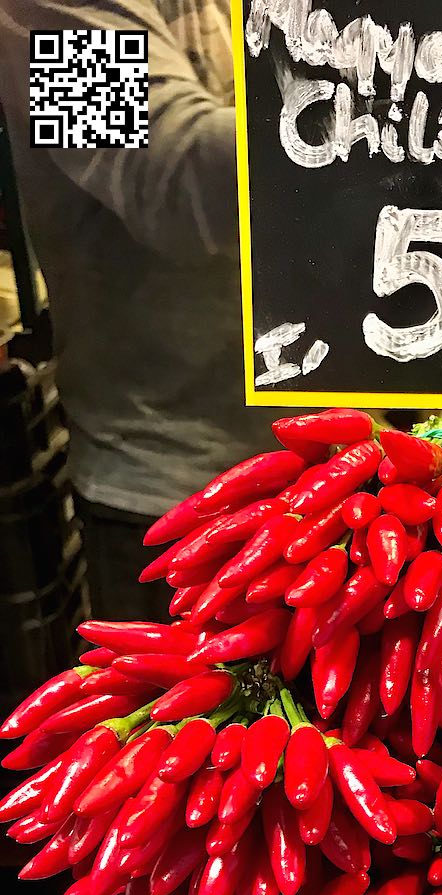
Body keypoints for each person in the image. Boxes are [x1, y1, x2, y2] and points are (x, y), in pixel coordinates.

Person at [0, 0, 272, 621]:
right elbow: (170, 173)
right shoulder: (50, 10)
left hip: (324, 464)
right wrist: (400, 127)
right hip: (174, 496)